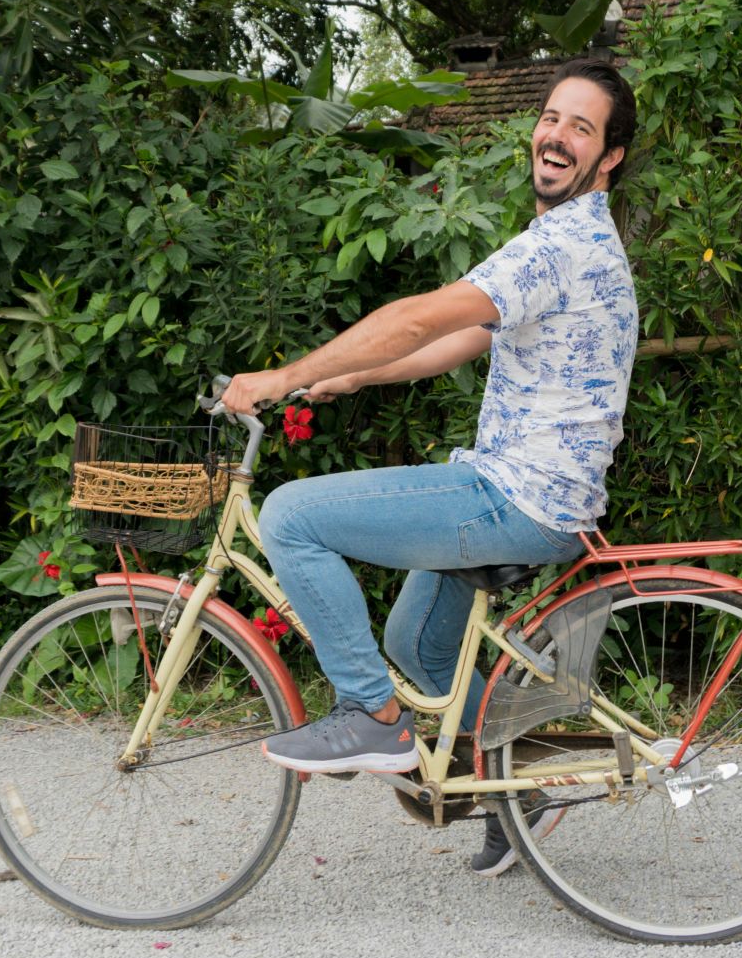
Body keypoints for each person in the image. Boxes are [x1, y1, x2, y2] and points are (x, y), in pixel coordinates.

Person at [220, 56, 638, 876]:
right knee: (417, 644)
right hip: (534, 491)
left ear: (610, 157)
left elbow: (417, 318)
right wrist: (357, 373)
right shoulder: (564, 243)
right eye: (552, 117)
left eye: (580, 128)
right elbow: (467, 337)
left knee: (292, 516)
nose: (555, 136)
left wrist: (283, 377)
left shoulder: (561, 245)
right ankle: (517, 781)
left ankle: (371, 717)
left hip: (515, 496)